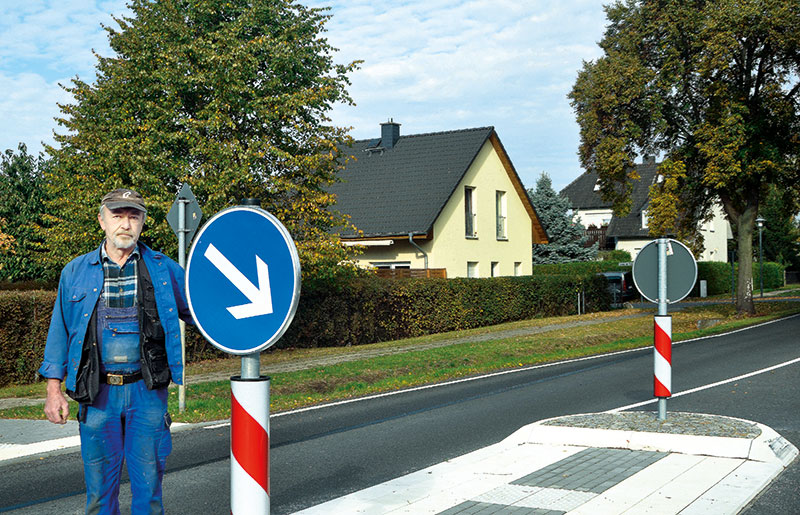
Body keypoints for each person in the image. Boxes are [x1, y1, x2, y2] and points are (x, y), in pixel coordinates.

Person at [39, 188, 192, 515]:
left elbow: (201, 311)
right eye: (117, 215)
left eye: (133, 216)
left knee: (149, 493)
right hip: (97, 397)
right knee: (98, 496)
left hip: (147, 394)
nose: (125, 223)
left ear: (142, 222)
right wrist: (54, 391)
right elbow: (59, 334)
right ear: (102, 220)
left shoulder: (165, 271)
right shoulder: (75, 272)